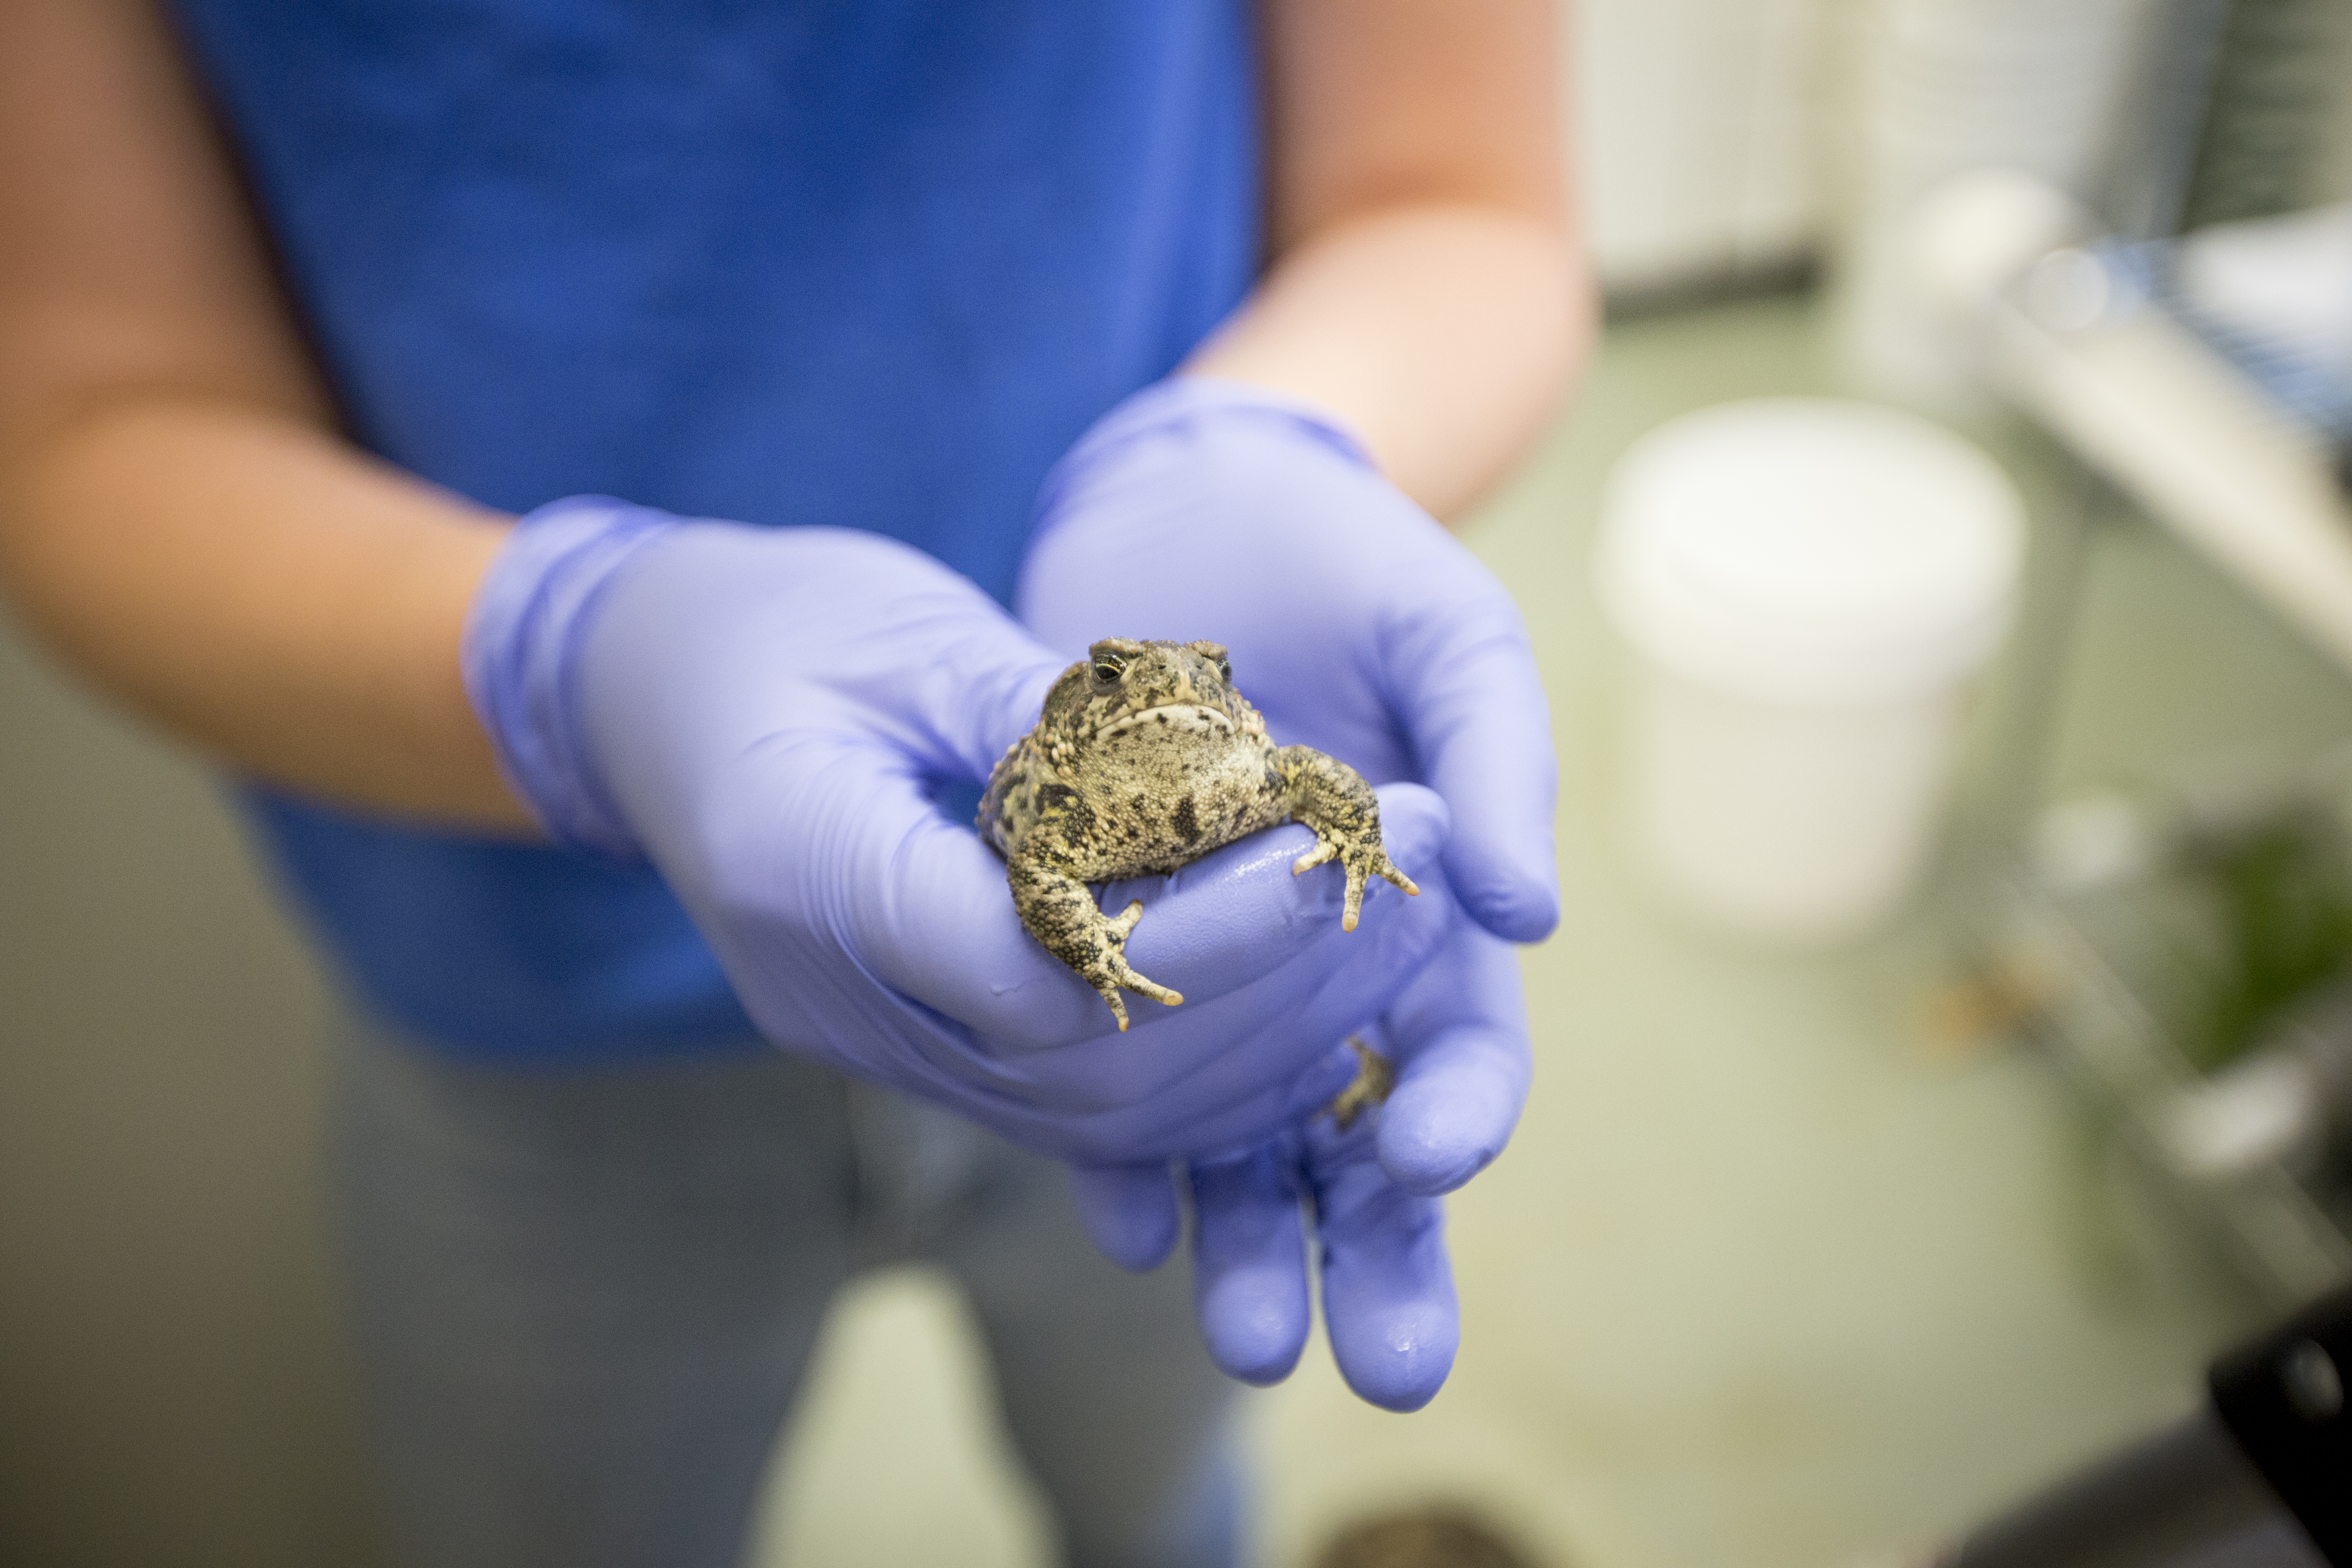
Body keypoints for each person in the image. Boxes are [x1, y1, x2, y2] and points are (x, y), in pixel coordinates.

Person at [0, 2, 1591, 1565]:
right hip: (526, 995)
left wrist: (1284, 443)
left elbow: (1449, 182)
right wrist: (568, 657)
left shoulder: (1215, 759)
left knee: (1164, 1493)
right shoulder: (1072, 783)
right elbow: (82, 400)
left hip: (1177, 1024)